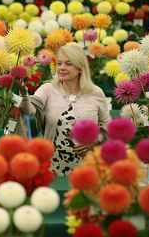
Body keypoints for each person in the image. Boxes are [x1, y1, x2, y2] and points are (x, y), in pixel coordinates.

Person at [18, 44, 110, 176]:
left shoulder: (95, 92)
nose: (61, 68)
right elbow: (30, 110)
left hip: (88, 169)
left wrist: (97, 139)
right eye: (59, 63)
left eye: (68, 64)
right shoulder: (47, 89)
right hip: (52, 169)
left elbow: (106, 125)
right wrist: (24, 94)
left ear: (80, 68)